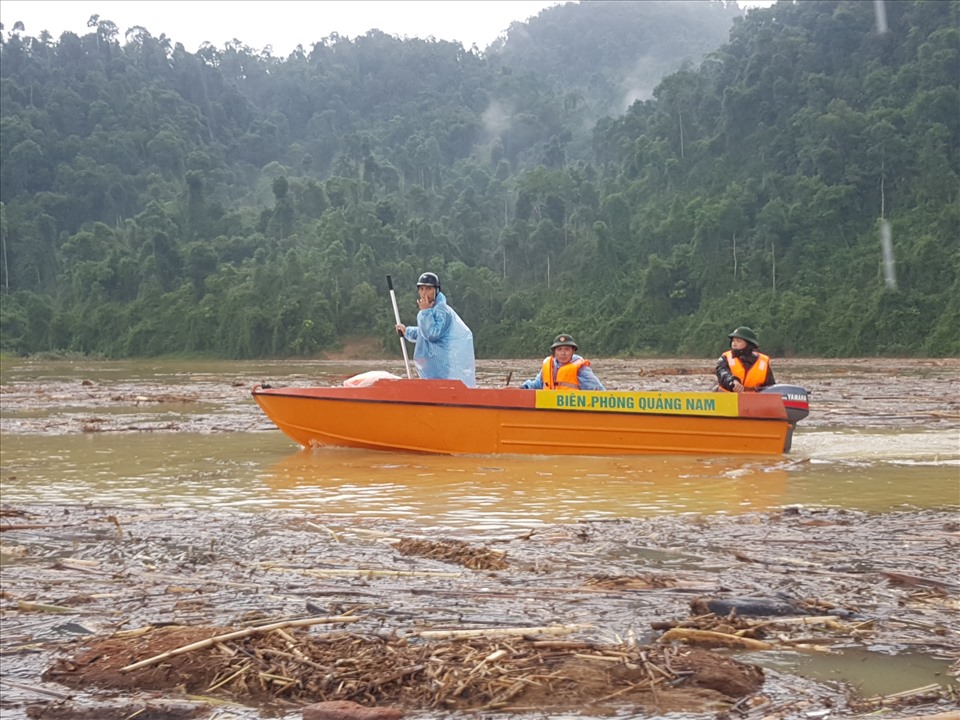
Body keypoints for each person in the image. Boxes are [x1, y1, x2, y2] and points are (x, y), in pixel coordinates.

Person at [396, 272, 476, 388]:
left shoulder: (442, 310)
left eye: (428, 289)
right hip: (433, 369)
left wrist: (424, 312)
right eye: (421, 289)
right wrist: (406, 331)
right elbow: (422, 332)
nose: (424, 293)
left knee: (443, 390)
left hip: (443, 368)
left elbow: (431, 334)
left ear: (436, 290)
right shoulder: (431, 309)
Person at [520, 334, 605, 390]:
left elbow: (597, 390)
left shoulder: (581, 369)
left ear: (573, 351)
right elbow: (537, 385)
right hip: (548, 407)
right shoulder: (549, 365)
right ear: (554, 352)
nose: (563, 353)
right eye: (559, 349)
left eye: (567, 349)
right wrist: (524, 387)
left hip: (572, 410)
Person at [715, 326, 776, 392]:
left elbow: (771, 387)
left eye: (738, 341)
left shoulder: (763, 362)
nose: (734, 344)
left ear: (749, 344)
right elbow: (722, 373)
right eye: (733, 341)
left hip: (753, 400)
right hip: (728, 399)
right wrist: (732, 381)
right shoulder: (725, 358)